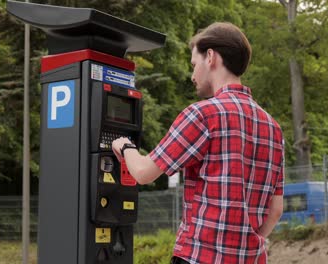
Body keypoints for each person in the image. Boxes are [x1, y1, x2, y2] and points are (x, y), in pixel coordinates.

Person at [112, 22, 284, 264]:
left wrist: (125, 147)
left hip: (199, 257)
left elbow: (142, 172)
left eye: (194, 64)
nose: (193, 75)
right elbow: (276, 210)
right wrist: (246, 243)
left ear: (211, 57)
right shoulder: (273, 128)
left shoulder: (203, 115)